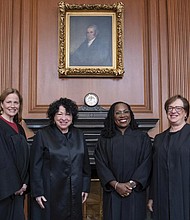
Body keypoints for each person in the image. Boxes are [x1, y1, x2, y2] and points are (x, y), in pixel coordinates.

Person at [30, 97, 91, 220]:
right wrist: (38, 192)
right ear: (53, 116)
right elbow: (35, 167)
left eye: (68, 114)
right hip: (49, 193)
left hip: (74, 191)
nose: (64, 118)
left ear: (73, 117)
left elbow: (86, 165)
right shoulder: (42, 135)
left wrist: (85, 187)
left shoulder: (79, 135)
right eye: (60, 114)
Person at [94, 101, 152, 220]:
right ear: (112, 116)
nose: (122, 115)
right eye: (118, 113)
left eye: (126, 112)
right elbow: (101, 165)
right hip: (112, 193)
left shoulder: (142, 137)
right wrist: (116, 185)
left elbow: (147, 162)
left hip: (135, 193)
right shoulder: (104, 139)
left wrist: (131, 184)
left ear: (130, 114)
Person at [147, 95, 190, 220]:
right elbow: (154, 171)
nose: (173, 111)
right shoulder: (159, 139)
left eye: (178, 108)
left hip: (185, 193)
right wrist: (152, 197)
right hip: (162, 194)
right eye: (170, 108)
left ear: (185, 113)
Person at [0, 88, 30, 220]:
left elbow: (26, 158)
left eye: (16, 103)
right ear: (1, 104)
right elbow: (3, 159)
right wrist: (15, 185)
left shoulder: (19, 128)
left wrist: (25, 182)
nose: (12, 106)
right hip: (5, 189)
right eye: (9, 102)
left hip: (19, 188)